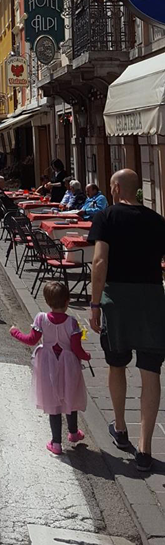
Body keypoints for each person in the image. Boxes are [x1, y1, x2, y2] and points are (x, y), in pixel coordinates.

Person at [89, 169, 165, 472]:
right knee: (150, 371)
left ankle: (121, 428)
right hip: (151, 300)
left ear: (117, 187)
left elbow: (99, 261)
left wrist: (94, 303)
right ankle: (145, 447)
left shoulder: (106, 217)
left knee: (116, 363)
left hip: (117, 300)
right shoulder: (158, 221)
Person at [10, 281, 90, 455]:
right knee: (70, 396)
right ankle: (74, 432)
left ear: (47, 301)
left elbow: (31, 340)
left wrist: (15, 332)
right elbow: (77, 349)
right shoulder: (72, 323)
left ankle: (56, 443)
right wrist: (86, 356)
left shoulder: (41, 318)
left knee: (53, 402)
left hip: (47, 364)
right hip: (68, 365)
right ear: (68, 301)